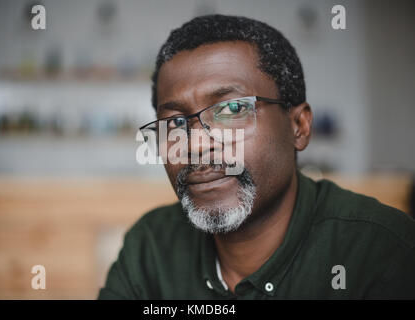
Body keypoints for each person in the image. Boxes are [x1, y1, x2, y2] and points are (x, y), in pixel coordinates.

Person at [99, 14, 415, 299]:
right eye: (175, 123)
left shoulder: (383, 251)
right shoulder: (151, 247)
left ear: (298, 126)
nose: (195, 145)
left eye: (232, 109)